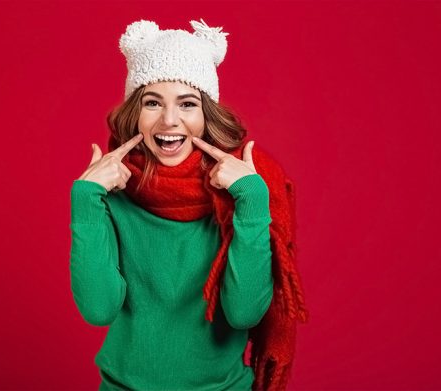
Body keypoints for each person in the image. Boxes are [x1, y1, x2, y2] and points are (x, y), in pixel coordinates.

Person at [69, 19, 309, 390]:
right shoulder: (113, 192)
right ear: (136, 114)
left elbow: (244, 312)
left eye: (187, 104)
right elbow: (98, 309)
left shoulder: (240, 195)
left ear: (205, 115)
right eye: (153, 102)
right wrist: (85, 201)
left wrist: (251, 201)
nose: (169, 120)